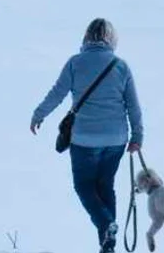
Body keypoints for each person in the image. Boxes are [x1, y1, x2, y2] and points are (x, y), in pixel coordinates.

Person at [29, 17, 143, 253]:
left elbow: (57, 93)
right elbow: (133, 106)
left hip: (84, 139)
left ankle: (106, 226)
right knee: (106, 185)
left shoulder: (75, 63)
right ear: (111, 38)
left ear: (87, 36)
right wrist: (137, 137)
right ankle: (108, 244)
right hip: (116, 139)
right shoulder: (120, 66)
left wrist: (39, 114)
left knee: (84, 186)